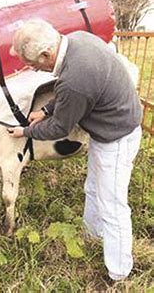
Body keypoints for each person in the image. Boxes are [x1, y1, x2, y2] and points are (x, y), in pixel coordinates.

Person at [8, 19, 142, 281]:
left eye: (33, 65)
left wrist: (26, 132)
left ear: (46, 54)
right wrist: (46, 110)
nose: (32, 69)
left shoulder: (75, 78)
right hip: (116, 125)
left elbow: (59, 128)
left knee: (113, 205)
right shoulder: (77, 40)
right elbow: (68, 89)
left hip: (116, 136)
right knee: (93, 188)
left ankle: (118, 273)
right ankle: (92, 234)